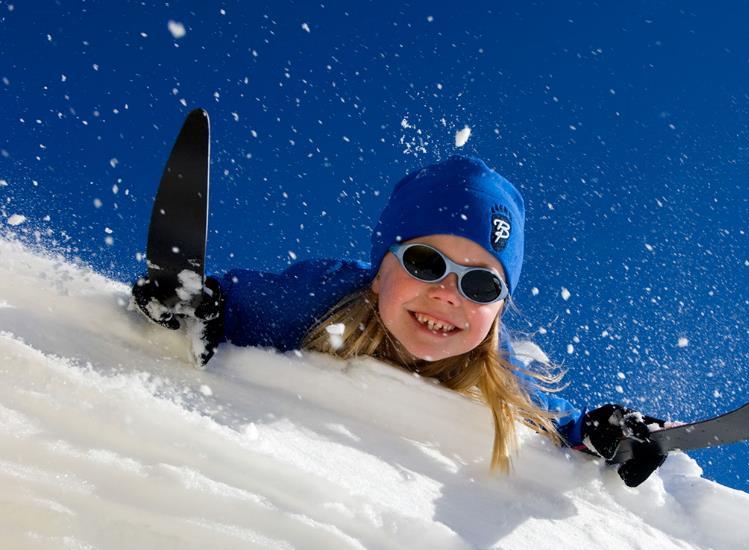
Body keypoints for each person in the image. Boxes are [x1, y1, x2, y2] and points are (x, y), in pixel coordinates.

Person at [132, 155, 667, 487]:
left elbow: (556, 422)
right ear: (378, 273)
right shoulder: (321, 299)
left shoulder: (498, 371)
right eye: (425, 263)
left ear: (499, 309)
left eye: (480, 284)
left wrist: (600, 433)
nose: (447, 294)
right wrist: (203, 304)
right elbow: (244, 304)